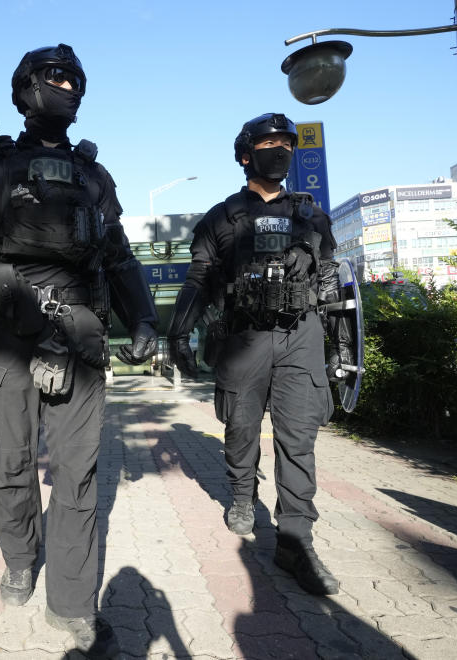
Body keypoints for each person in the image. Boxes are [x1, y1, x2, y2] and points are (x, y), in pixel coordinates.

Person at [0, 44, 157, 656]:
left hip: (78, 336)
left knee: (77, 473)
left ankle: (73, 602)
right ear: (27, 88)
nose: (67, 86)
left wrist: (147, 322)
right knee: (11, 463)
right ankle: (21, 559)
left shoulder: (93, 177)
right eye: (55, 77)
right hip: (6, 335)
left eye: (75, 79)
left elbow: (120, 256)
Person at [166, 113, 347, 596]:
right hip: (243, 337)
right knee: (241, 427)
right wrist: (178, 334)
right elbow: (199, 280)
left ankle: (296, 541)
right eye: (269, 143)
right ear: (247, 154)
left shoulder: (313, 216)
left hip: (301, 336)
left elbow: (329, 285)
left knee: (298, 438)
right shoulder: (221, 218)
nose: (280, 150)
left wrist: (341, 348)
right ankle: (243, 497)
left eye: (286, 143)